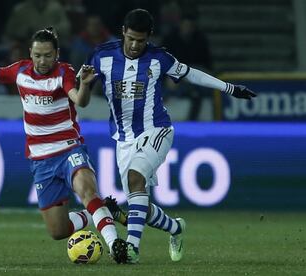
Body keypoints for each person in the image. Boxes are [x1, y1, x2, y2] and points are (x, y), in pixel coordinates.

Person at [0, 27, 128, 263]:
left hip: (69, 148)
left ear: (56, 54)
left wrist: (85, 85)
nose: (42, 60)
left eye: (47, 55)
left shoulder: (64, 73)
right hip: (41, 159)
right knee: (58, 231)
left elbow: (80, 100)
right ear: (30, 53)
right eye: (37, 55)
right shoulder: (20, 71)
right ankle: (102, 210)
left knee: (87, 191)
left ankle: (114, 244)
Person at [85, 9, 256, 263]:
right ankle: (176, 228)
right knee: (138, 200)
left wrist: (229, 88)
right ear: (123, 32)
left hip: (157, 130)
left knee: (135, 179)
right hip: (123, 140)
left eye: (140, 40)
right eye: (130, 38)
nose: (134, 45)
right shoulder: (102, 56)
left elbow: (191, 74)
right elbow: (82, 91)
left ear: (148, 38)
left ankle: (131, 250)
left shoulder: (159, 59)